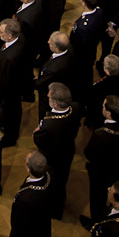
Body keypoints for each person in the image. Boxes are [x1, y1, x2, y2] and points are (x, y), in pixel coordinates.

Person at [81, 95, 119, 226]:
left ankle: (95, 223)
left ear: (109, 113)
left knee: (97, 199)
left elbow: (89, 153)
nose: (101, 106)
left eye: (103, 105)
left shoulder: (101, 134)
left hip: (101, 172)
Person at [32, 82, 80, 219]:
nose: (47, 99)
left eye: (49, 98)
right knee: (62, 179)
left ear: (56, 104)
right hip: (67, 150)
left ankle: (55, 210)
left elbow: (39, 140)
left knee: (55, 183)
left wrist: (37, 132)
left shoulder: (50, 124)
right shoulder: (75, 108)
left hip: (53, 157)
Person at [9, 150, 53, 237]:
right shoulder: (49, 176)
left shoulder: (24, 199)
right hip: (42, 227)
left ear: (28, 169)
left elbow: (18, 223)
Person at [0, 18, 24, 146]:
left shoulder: (9, 58)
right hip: (12, 88)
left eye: (1, 32)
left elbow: (4, 80)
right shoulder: (18, 40)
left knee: (12, 113)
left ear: (10, 36)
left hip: (9, 92)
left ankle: (11, 138)